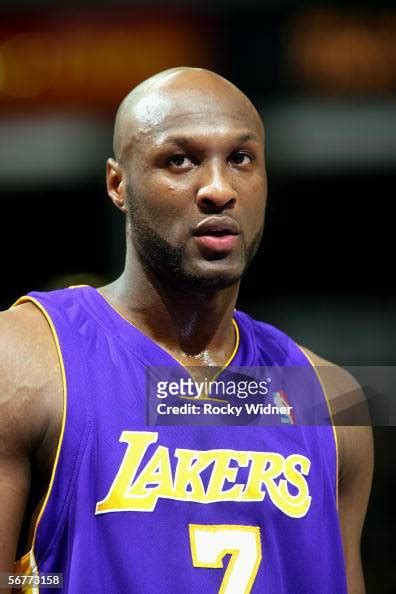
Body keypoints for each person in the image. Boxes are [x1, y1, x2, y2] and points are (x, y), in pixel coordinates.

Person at [0, 67, 373, 593]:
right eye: (181, 160)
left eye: (240, 160)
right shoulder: (23, 361)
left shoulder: (331, 402)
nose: (219, 189)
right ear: (117, 184)